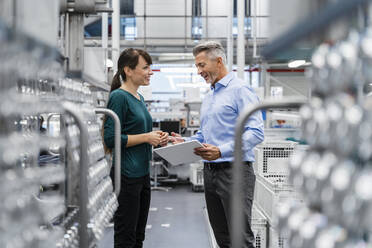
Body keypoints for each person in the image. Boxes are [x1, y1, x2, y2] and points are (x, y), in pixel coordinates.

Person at [170, 41, 264, 248]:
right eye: (197, 66)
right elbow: (205, 135)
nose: (198, 71)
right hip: (211, 173)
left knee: (240, 239)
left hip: (235, 172)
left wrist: (222, 150)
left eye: (202, 65)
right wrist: (182, 142)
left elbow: (256, 132)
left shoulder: (241, 90)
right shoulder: (210, 96)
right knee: (222, 238)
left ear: (219, 61)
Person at [103, 48, 169, 248]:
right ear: (128, 70)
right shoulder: (119, 97)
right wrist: (146, 137)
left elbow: (140, 134)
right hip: (126, 175)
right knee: (126, 237)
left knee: (138, 236)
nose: (150, 72)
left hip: (142, 173)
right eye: (146, 67)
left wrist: (158, 138)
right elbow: (110, 138)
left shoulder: (139, 98)